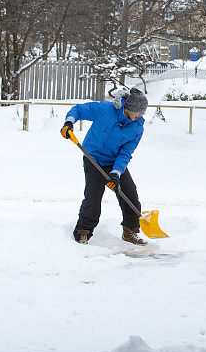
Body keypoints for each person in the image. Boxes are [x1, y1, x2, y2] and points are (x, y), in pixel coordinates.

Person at [61, 88, 148, 246]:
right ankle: (83, 232)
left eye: (143, 113)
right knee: (93, 196)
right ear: (129, 108)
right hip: (93, 158)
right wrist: (69, 122)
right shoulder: (106, 110)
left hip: (114, 162)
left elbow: (126, 153)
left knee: (129, 195)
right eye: (139, 112)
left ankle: (130, 231)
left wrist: (116, 172)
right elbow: (79, 110)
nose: (141, 115)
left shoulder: (137, 128)